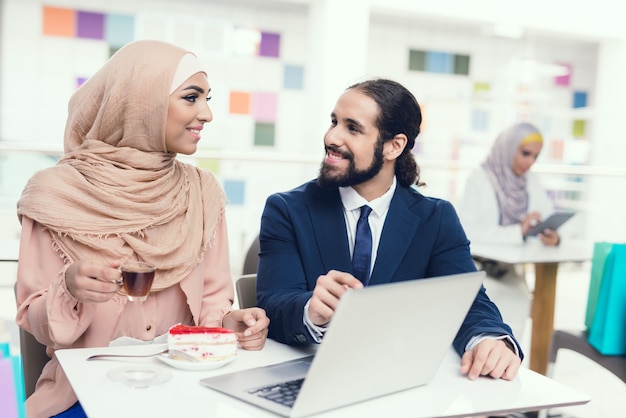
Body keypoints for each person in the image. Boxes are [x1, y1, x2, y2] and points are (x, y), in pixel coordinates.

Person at [15, 40, 269, 418]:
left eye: (207, 98)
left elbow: (214, 301)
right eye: (191, 98)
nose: (207, 114)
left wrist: (230, 324)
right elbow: (34, 318)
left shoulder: (202, 193)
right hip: (86, 392)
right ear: (142, 102)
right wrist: (67, 287)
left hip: (186, 387)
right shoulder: (55, 193)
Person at [256, 78, 523, 382]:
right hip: (313, 378)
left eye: (352, 128)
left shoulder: (436, 219)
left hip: (400, 380)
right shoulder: (287, 210)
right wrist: (310, 311)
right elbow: (272, 305)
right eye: (334, 122)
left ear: (394, 146)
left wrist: (489, 340)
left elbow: (469, 301)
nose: (331, 137)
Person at [456, 122, 559, 277]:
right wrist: (518, 232)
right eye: (525, 153)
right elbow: (466, 232)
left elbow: (548, 215)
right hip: (480, 272)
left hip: (513, 272)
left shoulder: (531, 181)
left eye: (535, 156)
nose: (530, 162)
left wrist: (554, 236)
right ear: (508, 148)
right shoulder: (478, 180)